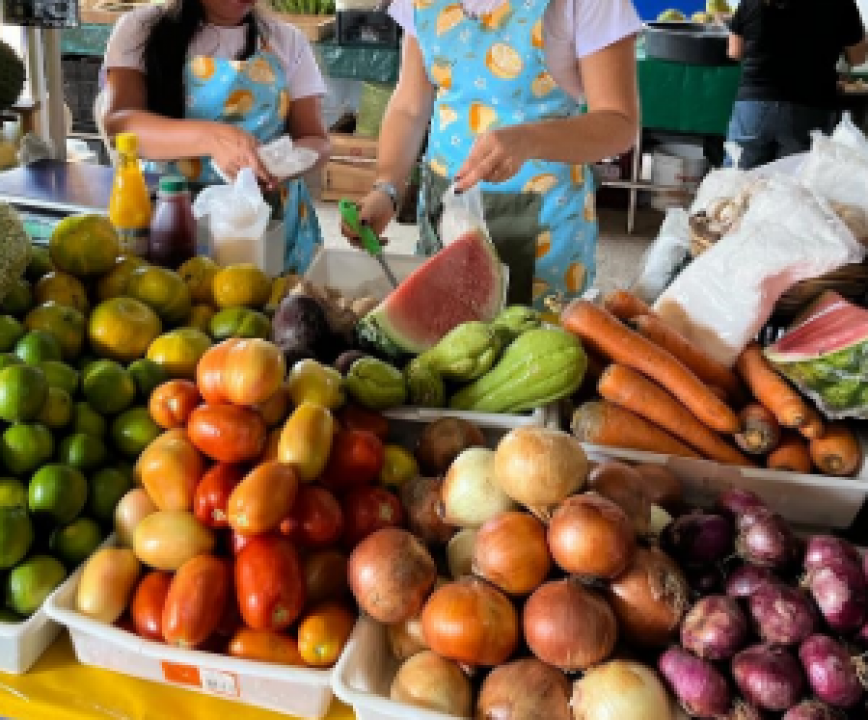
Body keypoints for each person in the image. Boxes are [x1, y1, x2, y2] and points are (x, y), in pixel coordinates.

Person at [343, 0, 642, 308]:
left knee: (537, 345)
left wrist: (529, 139)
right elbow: (409, 105)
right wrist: (388, 186)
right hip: (446, 211)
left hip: (545, 226)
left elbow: (618, 123)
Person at [102, 0, 331, 273]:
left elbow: (317, 140)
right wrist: (211, 139)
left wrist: (282, 163)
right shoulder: (141, 29)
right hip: (173, 214)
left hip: (268, 218)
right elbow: (120, 125)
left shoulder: (286, 40)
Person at [726, 0, 868, 170]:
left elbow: (734, 52)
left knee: (737, 185)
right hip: (809, 107)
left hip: (753, 106)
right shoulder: (841, 4)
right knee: (793, 187)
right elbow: (858, 58)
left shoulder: (752, 2)